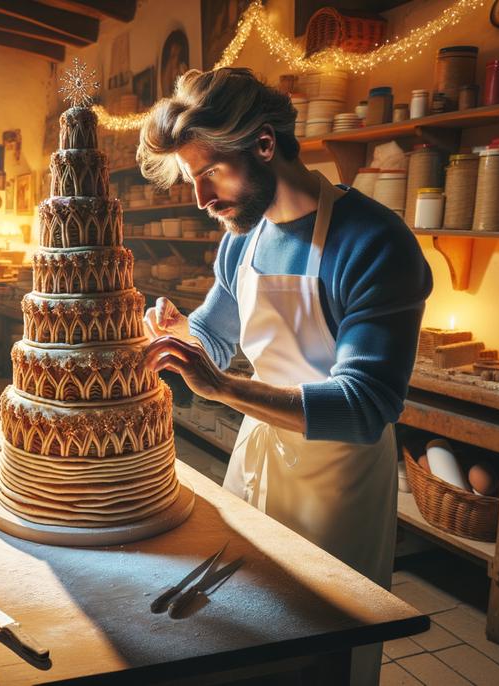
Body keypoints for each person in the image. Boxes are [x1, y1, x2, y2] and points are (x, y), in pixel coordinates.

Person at [136, 68, 431, 685]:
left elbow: (364, 405)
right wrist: (174, 333)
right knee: (248, 629)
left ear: (264, 145)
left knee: (323, 648)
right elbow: (214, 335)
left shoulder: (374, 242)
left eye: (210, 173)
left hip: (339, 480)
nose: (201, 199)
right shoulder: (243, 242)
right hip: (261, 455)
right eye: (194, 179)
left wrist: (219, 387)